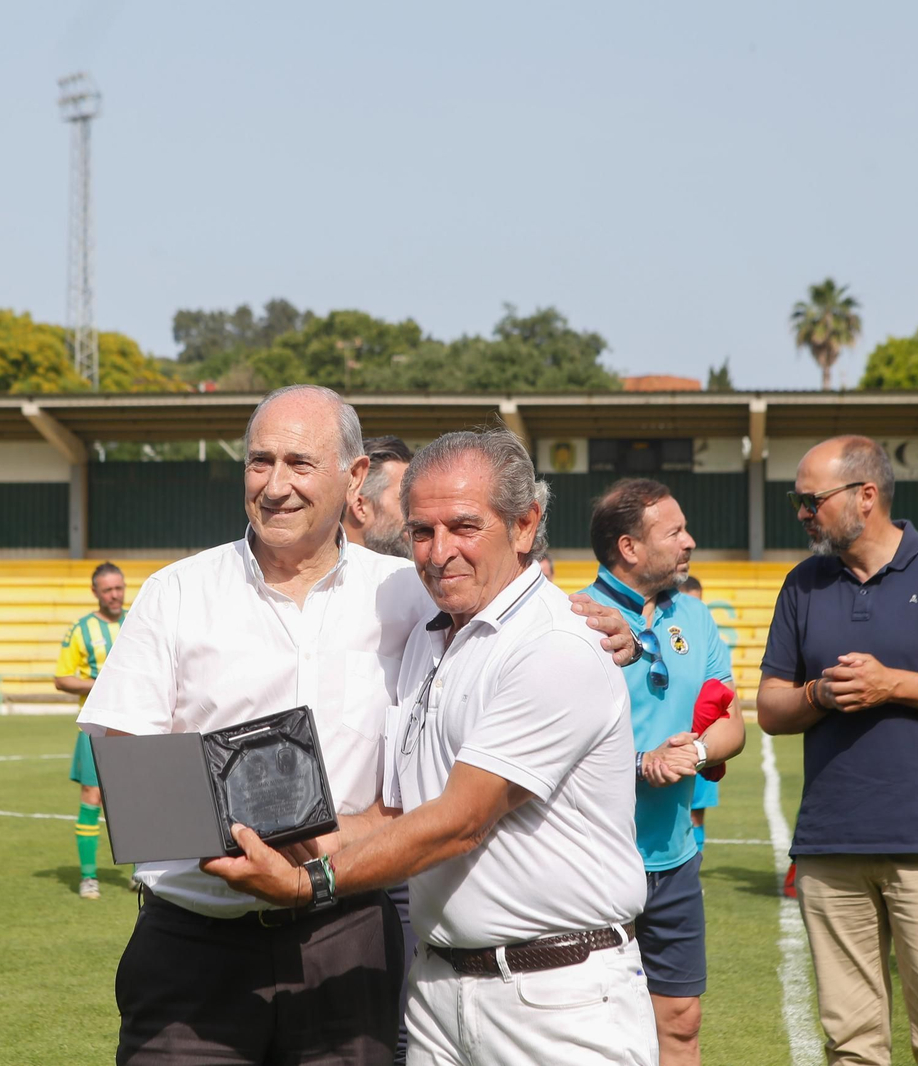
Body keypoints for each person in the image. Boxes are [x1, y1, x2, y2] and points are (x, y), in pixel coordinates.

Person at [78, 385, 638, 1065]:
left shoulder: (408, 591)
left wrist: (599, 625)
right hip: (197, 936)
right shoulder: (177, 592)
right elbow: (131, 779)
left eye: (300, 463)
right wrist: (246, 852)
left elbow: (512, 608)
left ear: (354, 478)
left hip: (347, 937)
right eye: (260, 462)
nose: (276, 485)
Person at [757, 436, 918, 1066]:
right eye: (796, 500)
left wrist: (892, 683)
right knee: (850, 1046)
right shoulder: (803, 583)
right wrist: (821, 691)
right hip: (830, 847)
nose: (800, 512)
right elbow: (770, 707)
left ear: (866, 496)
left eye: (810, 499)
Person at [582, 482, 745, 1066]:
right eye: (674, 532)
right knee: (595, 1030)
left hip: (674, 860)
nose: (690, 542)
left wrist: (694, 754)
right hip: (592, 862)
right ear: (628, 546)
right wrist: (635, 765)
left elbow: (731, 723)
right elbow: (553, 751)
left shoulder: (694, 616)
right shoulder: (574, 619)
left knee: (681, 1021)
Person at [342, 438, 417, 1065]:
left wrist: (600, 625)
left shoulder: (420, 589)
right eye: (407, 499)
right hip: (336, 849)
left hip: (413, 848)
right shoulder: (314, 599)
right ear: (360, 506)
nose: (421, 517)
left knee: (404, 1030)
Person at [53, 561, 127, 900]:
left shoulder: (137, 621)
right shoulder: (81, 630)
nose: (115, 595)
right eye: (108, 589)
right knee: (91, 798)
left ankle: (143, 872)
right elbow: (62, 679)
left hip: (135, 723)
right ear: (95, 592)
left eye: (119, 588)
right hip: (96, 724)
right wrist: (100, 684)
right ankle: (88, 877)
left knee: (137, 797)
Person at [677, 574, 721, 851]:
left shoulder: (708, 638)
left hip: (703, 738)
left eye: (699, 603)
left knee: (697, 812)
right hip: (675, 736)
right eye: (690, 603)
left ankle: (694, 872)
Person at [343, 435, 413, 559]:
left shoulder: (412, 576)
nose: (415, 515)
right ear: (360, 507)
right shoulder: (316, 576)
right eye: (405, 501)